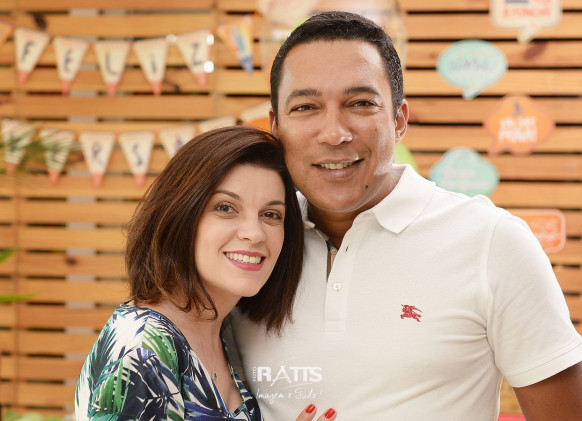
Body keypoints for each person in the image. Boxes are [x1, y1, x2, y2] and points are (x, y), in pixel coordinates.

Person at [228, 11, 582, 421]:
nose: (334, 132)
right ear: (275, 127)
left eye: (360, 103)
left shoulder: (493, 242)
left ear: (398, 120)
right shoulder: (248, 247)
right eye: (306, 107)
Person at [75, 126, 337, 421]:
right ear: (181, 216)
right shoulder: (143, 349)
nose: (254, 233)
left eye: (270, 214)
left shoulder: (220, 331)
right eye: (226, 207)